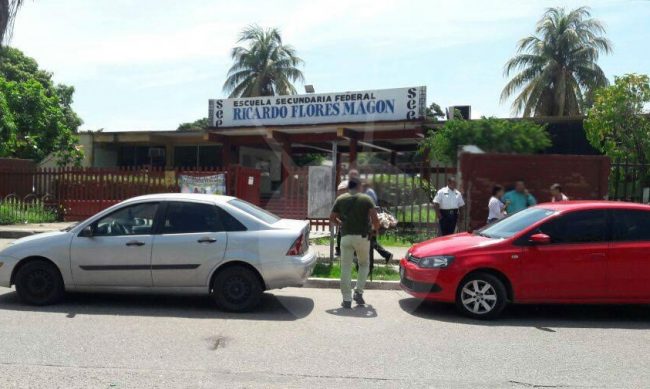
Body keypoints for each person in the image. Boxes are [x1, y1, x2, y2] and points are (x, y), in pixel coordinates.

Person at [330, 177, 380, 309]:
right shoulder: (366, 199)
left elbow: (332, 218)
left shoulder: (340, 199)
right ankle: (358, 292)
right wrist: (374, 231)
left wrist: (341, 224)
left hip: (346, 237)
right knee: (364, 264)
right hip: (363, 238)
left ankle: (346, 299)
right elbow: (375, 220)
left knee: (345, 267)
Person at [362, 181, 393, 265]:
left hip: (370, 218)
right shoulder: (370, 192)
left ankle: (385, 255)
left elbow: (368, 206)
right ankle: (386, 255)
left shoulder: (368, 193)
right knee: (371, 240)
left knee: (370, 239)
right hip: (372, 217)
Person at [335, 169, 359, 257]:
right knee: (342, 231)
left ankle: (351, 250)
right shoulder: (345, 184)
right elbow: (340, 192)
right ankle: (339, 250)